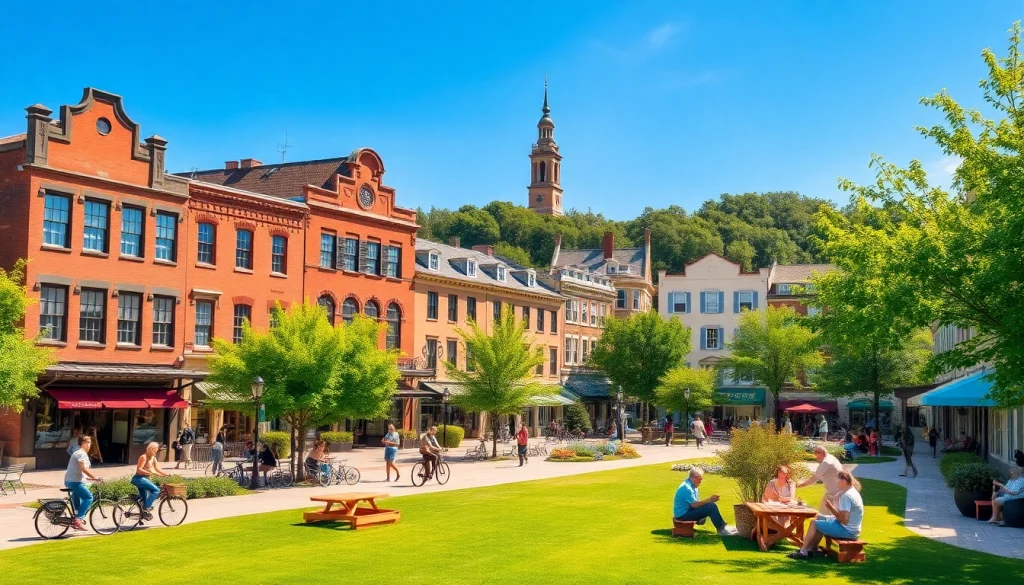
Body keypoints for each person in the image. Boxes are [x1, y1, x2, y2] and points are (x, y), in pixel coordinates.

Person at [789, 470, 863, 560]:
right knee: (819, 517)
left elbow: (844, 520)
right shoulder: (852, 491)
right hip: (852, 529)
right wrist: (835, 500)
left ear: (843, 481)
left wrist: (831, 507)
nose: (837, 482)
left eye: (838, 480)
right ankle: (812, 549)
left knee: (814, 523)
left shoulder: (846, 496)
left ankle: (803, 551)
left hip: (848, 531)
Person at [673, 468, 738, 536]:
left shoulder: (691, 485)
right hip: (682, 516)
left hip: (687, 511)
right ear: (694, 478)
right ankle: (722, 530)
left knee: (710, 505)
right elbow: (694, 505)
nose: (701, 482)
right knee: (711, 507)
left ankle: (723, 527)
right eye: (700, 479)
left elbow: (695, 503)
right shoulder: (687, 488)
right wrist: (709, 500)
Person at [64, 434, 103, 531]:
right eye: (88, 442)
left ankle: (76, 517)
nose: (90, 445)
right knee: (88, 497)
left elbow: (80, 471)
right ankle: (78, 519)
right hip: (74, 482)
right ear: (83, 443)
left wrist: (90, 479)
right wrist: (94, 477)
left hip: (70, 480)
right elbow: (83, 468)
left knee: (77, 498)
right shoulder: (81, 453)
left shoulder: (77, 453)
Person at [797, 445, 844, 512]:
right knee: (827, 513)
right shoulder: (831, 458)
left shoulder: (826, 462)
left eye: (817, 456)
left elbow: (813, 479)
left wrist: (800, 485)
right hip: (837, 491)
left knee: (823, 514)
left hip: (834, 493)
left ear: (822, 453)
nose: (817, 458)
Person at [131, 441, 168, 520]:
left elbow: (157, 469)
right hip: (139, 478)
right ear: (149, 449)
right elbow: (139, 470)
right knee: (156, 490)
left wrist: (165, 474)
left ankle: (142, 514)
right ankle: (146, 507)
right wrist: (150, 472)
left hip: (145, 479)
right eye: (154, 450)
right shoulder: (144, 457)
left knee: (144, 497)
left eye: (156, 450)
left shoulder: (153, 458)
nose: (155, 452)